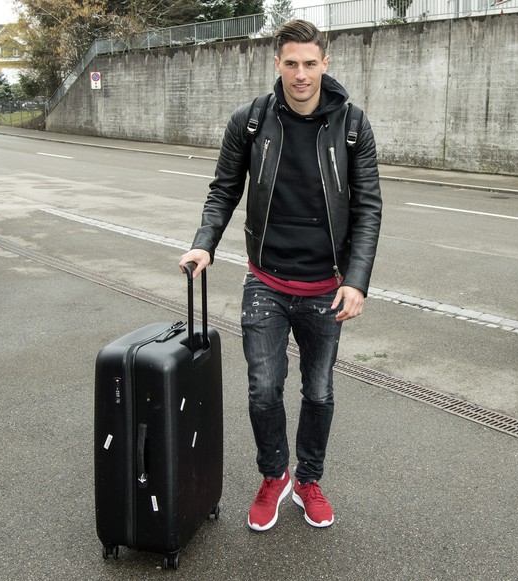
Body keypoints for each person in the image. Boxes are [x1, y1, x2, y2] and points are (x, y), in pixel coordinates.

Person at [178, 19, 382, 531]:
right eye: (291, 63)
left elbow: (369, 209)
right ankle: (275, 476)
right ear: (277, 64)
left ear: (325, 63)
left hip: (325, 288)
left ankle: (309, 480)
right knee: (263, 391)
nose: (301, 74)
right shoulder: (250, 121)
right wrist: (204, 246)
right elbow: (223, 190)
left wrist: (356, 281)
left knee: (318, 393)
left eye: (310, 63)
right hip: (265, 280)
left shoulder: (353, 125)